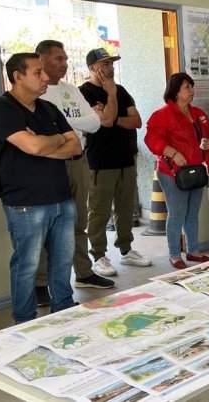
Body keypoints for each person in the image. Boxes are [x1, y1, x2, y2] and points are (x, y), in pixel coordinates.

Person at [0, 53, 81, 323]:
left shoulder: (48, 109)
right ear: (17, 77)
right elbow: (33, 146)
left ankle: (63, 310)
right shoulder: (1, 109)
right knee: (27, 266)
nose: (46, 77)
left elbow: (75, 146)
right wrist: (52, 141)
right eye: (38, 72)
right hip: (25, 203)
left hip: (62, 198)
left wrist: (42, 145)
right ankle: (24, 320)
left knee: (63, 262)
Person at [34, 40, 114, 300]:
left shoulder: (70, 89)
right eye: (58, 58)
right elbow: (46, 129)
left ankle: (83, 272)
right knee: (49, 223)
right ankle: (41, 284)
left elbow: (95, 124)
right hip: (50, 162)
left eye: (66, 58)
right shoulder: (38, 92)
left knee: (79, 220)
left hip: (79, 160)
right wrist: (78, 121)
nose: (65, 63)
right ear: (42, 60)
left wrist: (66, 122)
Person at [80, 48, 151, 276]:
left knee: (125, 207)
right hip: (99, 162)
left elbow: (137, 121)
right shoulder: (84, 93)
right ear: (92, 68)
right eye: (105, 64)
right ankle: (99, 255)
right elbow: (105, 122)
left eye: (112, 64)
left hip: (125, 159)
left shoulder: (121, 90)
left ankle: (126, 249)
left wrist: (112, 114)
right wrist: (109, 98)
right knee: (99, 211)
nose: (110, 68)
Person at [145, 73, 209, 269]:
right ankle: (175, 253)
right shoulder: (162, 115)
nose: (191, 91)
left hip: (197, 170)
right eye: (187, 87)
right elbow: (152, 140)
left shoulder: (198, 113)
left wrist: (208, 143)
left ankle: (193, 250)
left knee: (193, 213)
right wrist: (173, 153)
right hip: (173, 172)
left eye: (192, 87)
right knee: (177, 213)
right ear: (175, 91)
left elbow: (208, 139)